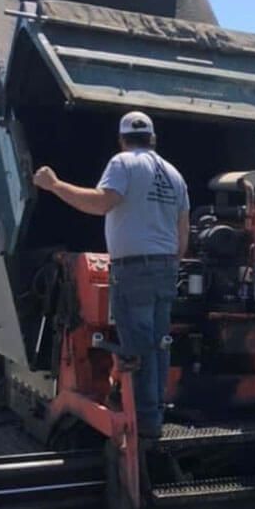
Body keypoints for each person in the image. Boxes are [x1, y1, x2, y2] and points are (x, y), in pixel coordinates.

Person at [33, 112, 189, 439]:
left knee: (138, 345)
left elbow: (101, 203)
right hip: (166, 267)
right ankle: (155, 409)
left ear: (122, 140)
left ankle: (145, 424)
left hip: (134, 268)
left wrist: (55, 185)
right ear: (153, 139)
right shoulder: (174, 174)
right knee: (160, 342)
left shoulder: (122, 164)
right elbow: (183, 232)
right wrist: (169, 261)